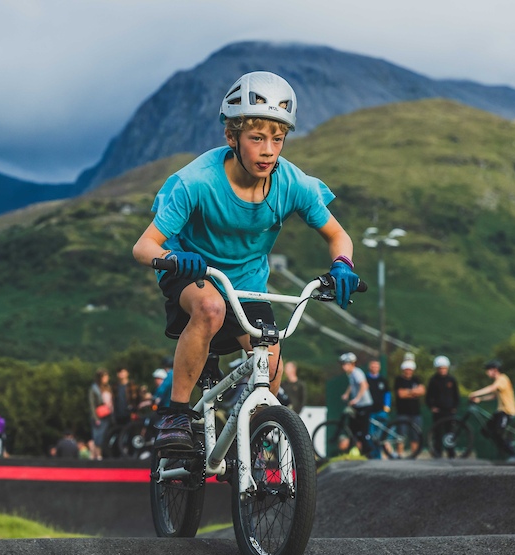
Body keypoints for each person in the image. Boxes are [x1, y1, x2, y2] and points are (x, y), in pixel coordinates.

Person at [131, 70, 360, 452]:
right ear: (231, 137)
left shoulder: (293, 184)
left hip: (247, 281)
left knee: (270, 361)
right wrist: (174, 257)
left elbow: (339, 235)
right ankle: (176, 414)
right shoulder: (197, 182)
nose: (269, 150)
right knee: (208, 306)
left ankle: (255, 436)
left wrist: (342, 264)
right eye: (257, 139)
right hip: (193, 269)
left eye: (278, 139)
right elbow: (144, 247)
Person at [468, 359, 515, 460]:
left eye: (488, 370)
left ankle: (513, 454)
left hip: (507, 412)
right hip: (500, 411)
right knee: (486, 430)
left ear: (495, 370)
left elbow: (491, 388)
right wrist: (480, 399)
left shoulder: (502, 379)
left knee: (498, 433)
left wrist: (475, 393)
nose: (487, 373)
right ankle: (502, 450)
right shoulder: (498, 382)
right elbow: (493, 396)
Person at [426, 355, 460, 458]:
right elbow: (428, 396)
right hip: (438, 411)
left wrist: (454, 406)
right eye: (440, 368)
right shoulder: (433, 380)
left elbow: (456, 395)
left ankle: (451, 453)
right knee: (438, 433)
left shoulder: (451, 380)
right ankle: (437, 454)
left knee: (450, 433)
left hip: (449, 411)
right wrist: (432, 407)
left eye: (444, 368)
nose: (442, 370)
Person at [339, 352, 373, 455]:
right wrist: (346, 394)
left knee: (363, 430)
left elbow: (364, 385)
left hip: (364, 404)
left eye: (345, 364)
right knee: (353, 428)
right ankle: (353, 450)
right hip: (359, 405)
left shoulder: (357, 373)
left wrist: (356, 399)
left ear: (351, 364)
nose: (343, 366)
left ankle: (368, 451)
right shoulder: (351, 374)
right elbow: (352, 385)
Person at [393, 358, 426, 457]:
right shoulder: (399, 380)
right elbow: (401, 394)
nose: (408, 371)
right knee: (401, 434)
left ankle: (414, 454)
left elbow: (422, 391)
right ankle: (400, 454)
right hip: (402, 412)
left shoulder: (416, 379)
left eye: (410, 369)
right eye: (406, 369)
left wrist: (408, 392)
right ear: (403, 370)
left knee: (415, 435)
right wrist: (414, 392)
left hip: (415, 412)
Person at [365, 359, 391, 458]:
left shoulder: (383, 380)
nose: (374, 368)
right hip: (370, 411)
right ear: (369, 367)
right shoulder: (365, 379)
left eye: (376, 366)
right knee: (370, 434)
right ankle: (372, 455)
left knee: (380, 435)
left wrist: (387, 406)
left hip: (381, 411)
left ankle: (378, 455)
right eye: (373, 366)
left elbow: (387, 393)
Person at [88, 369, 112, 460]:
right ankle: (96, 455)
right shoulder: (94, 388)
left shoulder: (108, 387)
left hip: (107, 414)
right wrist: (95, 417)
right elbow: (92, 404)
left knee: (102, 436)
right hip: (99, 415)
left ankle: (98, 454)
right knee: (97, 436)